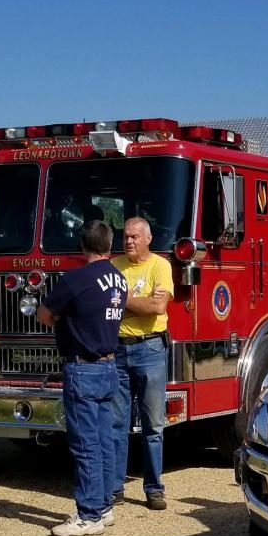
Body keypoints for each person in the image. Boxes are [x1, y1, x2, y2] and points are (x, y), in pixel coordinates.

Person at [36, 220, 128, 536]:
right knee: (104, 442)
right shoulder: (119, 279)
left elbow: (44, 315)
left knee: (85, 445)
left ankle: (88, 516)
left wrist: (66, 323)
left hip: (82, 367)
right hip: (109, 366)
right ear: (109, 244)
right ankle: (104, 506)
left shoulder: (75, 279)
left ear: (82, 246)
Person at [111, 216, 174, 511]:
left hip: (150, 349)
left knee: (153, 426)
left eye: (135, 236)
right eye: (125, 236)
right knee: (117, 424)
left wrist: (124, 300)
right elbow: (106, 308)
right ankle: (114, 488)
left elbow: (158, 307)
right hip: (118, 350)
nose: (129, 241)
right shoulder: (114, 266)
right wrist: (139, 302)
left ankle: (154, 488)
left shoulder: (161, 266)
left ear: (148, 238)